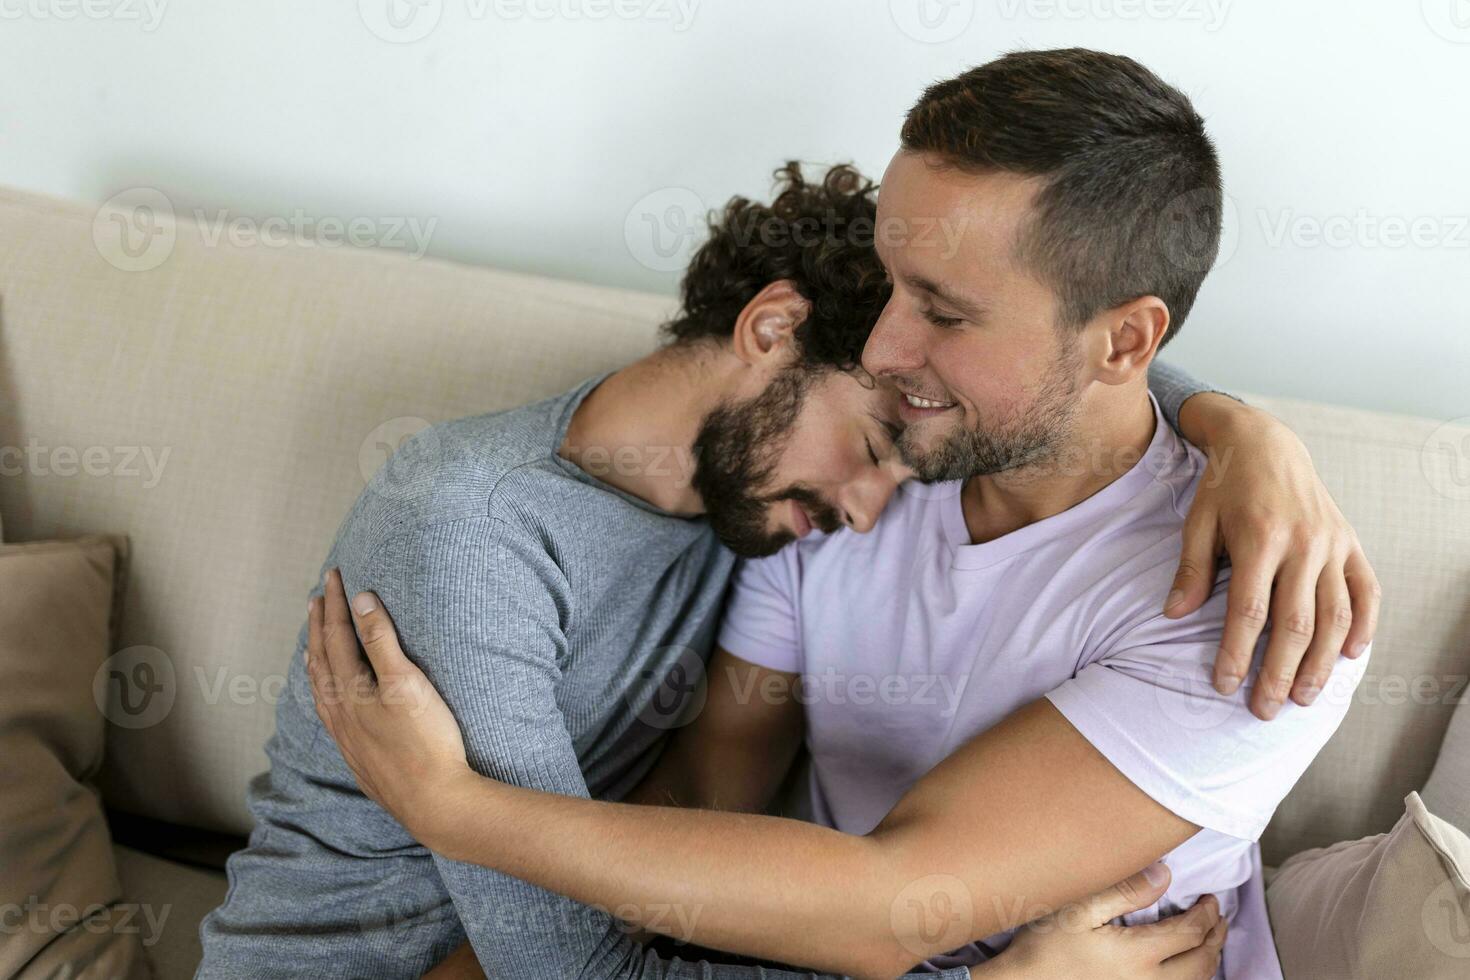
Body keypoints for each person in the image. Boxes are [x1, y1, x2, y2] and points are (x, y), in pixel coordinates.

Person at [301, 50, 1377, 980]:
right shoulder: (881, 469)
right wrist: (1236, 421)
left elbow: (893, 900)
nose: (880, 347)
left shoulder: (1259, 596)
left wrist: (461, 810)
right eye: (889, 282)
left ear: (1125, 342)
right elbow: (708, 799)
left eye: (944, 312)